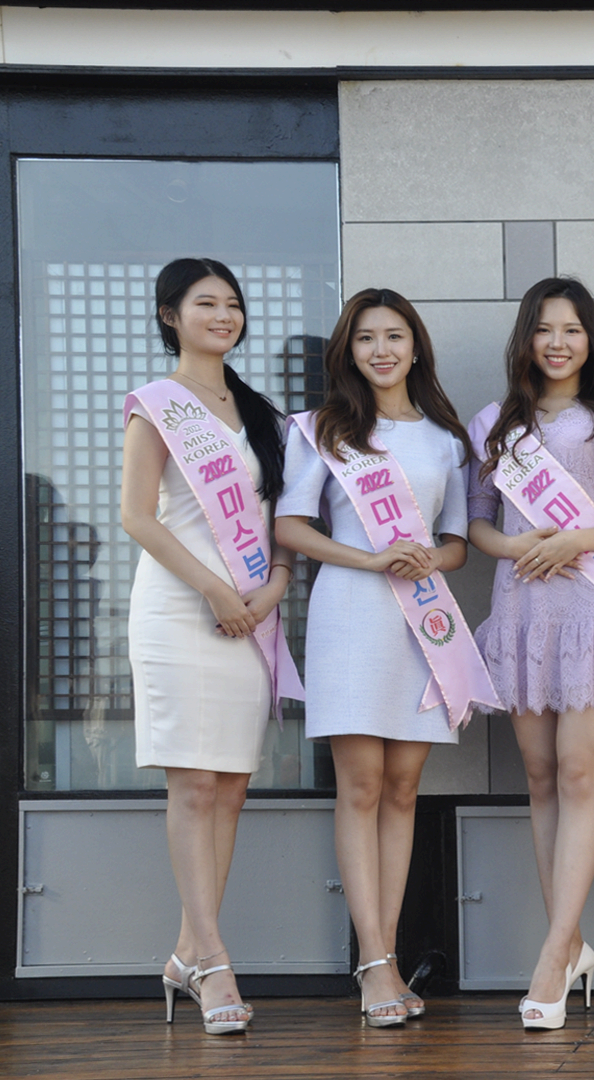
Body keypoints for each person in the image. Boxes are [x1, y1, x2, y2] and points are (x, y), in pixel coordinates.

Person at [275, 288, 485, 1027]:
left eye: (394, 336)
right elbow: (291, 526)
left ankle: (389, 954)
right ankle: (373, 963)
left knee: (403, 789)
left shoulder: (445, 439)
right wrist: (368, 558)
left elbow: (458, 541)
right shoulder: (323, 431)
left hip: (420, 620)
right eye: (366, 338)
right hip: (352, 614)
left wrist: (431, 556)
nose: (382, 350)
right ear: (349, 351)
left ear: (415, 346)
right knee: (360, 786)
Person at [465, 277, 594, 1030]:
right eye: (544, 329)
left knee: (580, 774)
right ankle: (568, 942)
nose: (557, 342)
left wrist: (578, 540)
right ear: (526, 338)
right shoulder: (495, 423)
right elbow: (478, 523)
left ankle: (551, 959)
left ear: (590, 338)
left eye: (572, 329)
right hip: (523, 610)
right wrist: (513, 546)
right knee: (541, 779)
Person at [121, 257, 299, 1035]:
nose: (223, 316)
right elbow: (137, 516)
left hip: (251, 614)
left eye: (232, 304)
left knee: (230, 789)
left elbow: (280, 517)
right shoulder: (156, 406)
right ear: (171, 316)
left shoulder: (259, 411)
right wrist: (213, 590)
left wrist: (277, 582)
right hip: (178, 612)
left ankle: (188, 952)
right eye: (205, 304)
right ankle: (214, 962)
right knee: (193, 785)